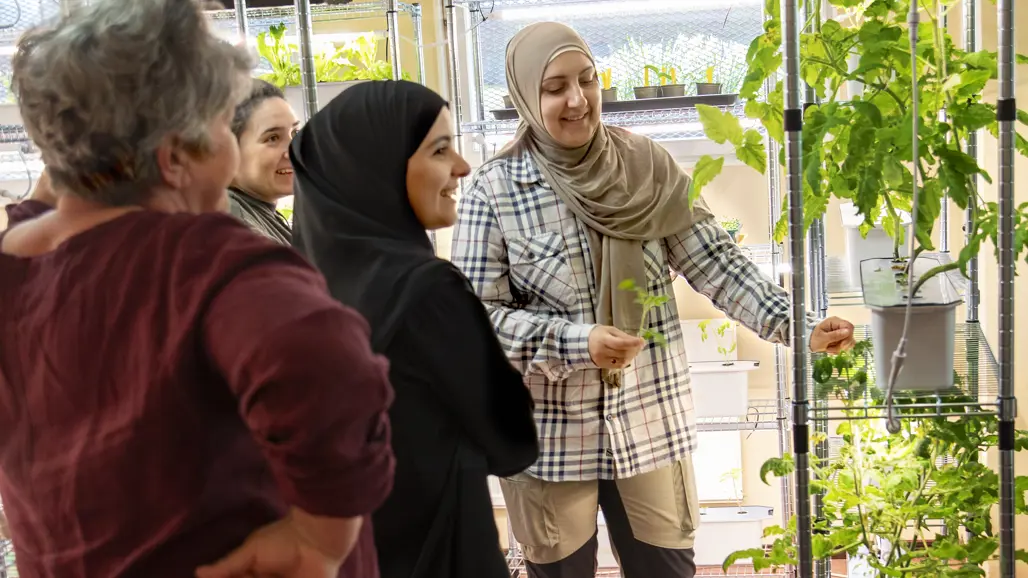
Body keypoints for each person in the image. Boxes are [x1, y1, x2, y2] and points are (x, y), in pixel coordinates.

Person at [0, 1, 395, 577]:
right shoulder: (211, 265)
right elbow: (325, 357)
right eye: (221, 125)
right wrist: (321, 538)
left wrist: (78, 147)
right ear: (177, 157)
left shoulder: (19, 260)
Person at [449, 22, 857, 578]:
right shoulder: (493, 191)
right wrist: (577, 343)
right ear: (523, 96)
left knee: (666, 569)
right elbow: (476, 323)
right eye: (554, 87)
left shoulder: (648, 167)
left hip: (649, 423)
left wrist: (797, 324)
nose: (577, 100)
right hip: (549, 435)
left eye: (588, 80)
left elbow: (717, 263)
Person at [290, 80, 540, 578]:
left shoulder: (295, 295)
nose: (463, 168)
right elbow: (509, 438)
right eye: (440, 149)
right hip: (441, 551)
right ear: (378, 166)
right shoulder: (427, 293)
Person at [226, 79, 298, 244]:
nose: (294, 150)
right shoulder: (241, 234)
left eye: (295, 133)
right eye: (273, 138)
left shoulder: (257, 210)